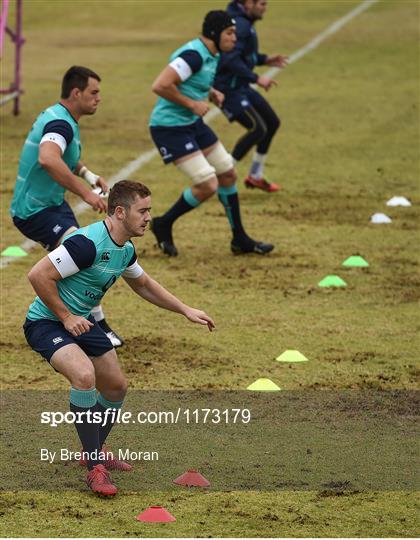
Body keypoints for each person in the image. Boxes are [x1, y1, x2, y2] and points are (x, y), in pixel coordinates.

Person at [24, 180, 215, 496]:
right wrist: (67, 317)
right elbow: (38, 275)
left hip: (80, 322)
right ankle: (94, 467)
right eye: (143, 211)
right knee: (84, 375)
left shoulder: (124, 250)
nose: (148, 217)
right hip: (47, 322)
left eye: (149, 210)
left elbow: (143, 284)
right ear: (120, 212)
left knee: (115, 386)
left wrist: (185, 309)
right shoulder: (87, 244)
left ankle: (93, 449)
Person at [9, 66, 124, 348]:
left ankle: (89, 321)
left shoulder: (62, 118)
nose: (99, 98)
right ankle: (86, 323)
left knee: (84, 253)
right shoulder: (60, 124)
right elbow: (49, 158)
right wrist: (86, 193)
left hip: (53, 205)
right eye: (93, 93)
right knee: (83, 255)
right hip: (34, 211)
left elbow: (66, 156)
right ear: (76, 93)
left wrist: (88, 175)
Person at [149, 10, 274, 257]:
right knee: (208, 184)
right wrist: (192, 104)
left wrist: (210, 92)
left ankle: (240, 239)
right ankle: (163, 223)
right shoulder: (193, 55)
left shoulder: (212, 53)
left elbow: (193, 81)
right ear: (215, 34)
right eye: (229, 33)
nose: (234, 39)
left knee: (227, 173)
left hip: (192, 124)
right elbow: (161, 85)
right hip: (170, 128)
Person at [214, 0, 288, 193]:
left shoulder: (244, 22)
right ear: (248, 3)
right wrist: (256, 77)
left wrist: (264, 59)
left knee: (272, 122)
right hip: (228, 90)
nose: (265, 7)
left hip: (241, 86)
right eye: (261, 3)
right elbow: (230, 59)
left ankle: (255, 175)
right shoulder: (241, 25)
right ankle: (220, 175)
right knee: (257, 128)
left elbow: (244, 54)